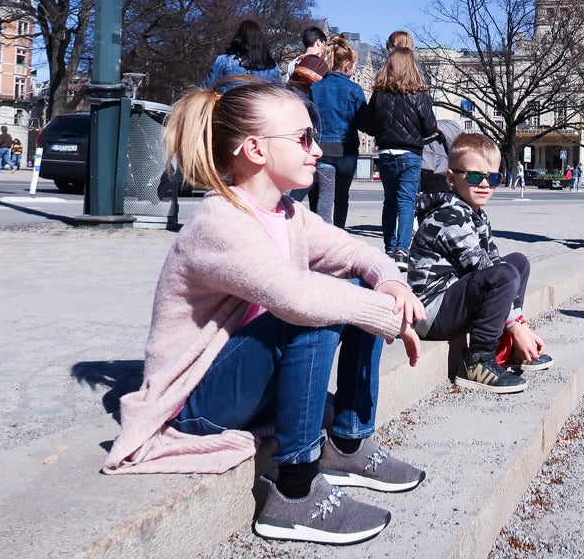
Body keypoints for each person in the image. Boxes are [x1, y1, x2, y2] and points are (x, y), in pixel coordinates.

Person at [101, 81, 426, 546]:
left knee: (355, 287)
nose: (318, 150)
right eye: (304, 139)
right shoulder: (220, 222)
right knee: (319, 307)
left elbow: (358, 254)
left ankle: (349, 441)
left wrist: (391, 284)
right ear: (255, 149)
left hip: (247, 383)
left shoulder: (288, 213)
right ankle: (295, 490)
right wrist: (390, 316)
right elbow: (297, 297)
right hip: (198, 403)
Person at [409, 133, 551, 393]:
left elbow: (494, 261)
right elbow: (484, 270)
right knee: (504, 275)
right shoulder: (448, 217)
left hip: (453, 297)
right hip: (430, 312)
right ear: (452, 178)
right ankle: (478, 360)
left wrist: (520, 323)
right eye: (474, 176)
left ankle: (508, 347)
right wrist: (516, 327)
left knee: (517, 263)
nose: (485, 184)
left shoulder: (475, 214)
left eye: (493, 178)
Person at [361, 47, 437, 268]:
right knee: (406, 203)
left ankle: (389, 247)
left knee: (389, 202)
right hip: (410, 154)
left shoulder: (379, 95)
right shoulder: (420, 95)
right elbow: (430, 127)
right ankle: (402, 251)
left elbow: (368, 125)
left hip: (385, 153)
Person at [309, 35, 366, 229]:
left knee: (324, 196)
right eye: (355, 65)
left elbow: (309, 120)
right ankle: (339, 232)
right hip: (347, 149)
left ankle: (324, 235)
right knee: (342, 196)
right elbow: (363, 123)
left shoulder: (315, 87)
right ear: (347, 65)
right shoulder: (354, 89)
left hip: (323, 149)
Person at [202, 19, 284, 92]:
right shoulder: (272, 66)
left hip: (230, 104)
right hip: (262, 104)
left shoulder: (224, 61)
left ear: (238, 38)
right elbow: (280, 95)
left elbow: (205, 89)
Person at [286, 25, 330, 93]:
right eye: (324, 44)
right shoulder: (326, 62)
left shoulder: (292, 63)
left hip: (296, 98)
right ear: (318, 42)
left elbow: (288, 87)